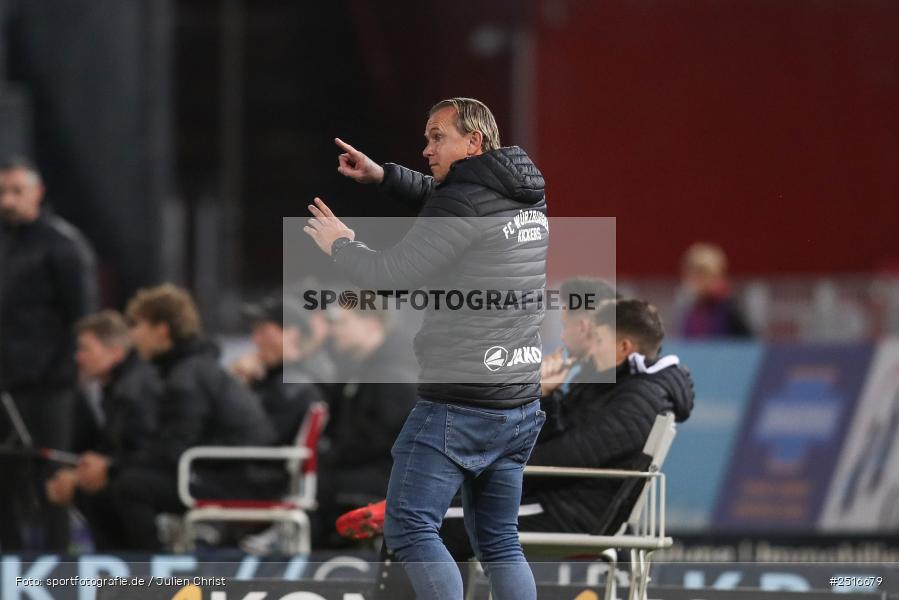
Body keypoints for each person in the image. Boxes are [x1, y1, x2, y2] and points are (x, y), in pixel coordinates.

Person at [304, 98, 548, 600]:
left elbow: (391, 276)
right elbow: (455, 199)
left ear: (473, 142)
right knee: (500, 541)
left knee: (410, 528)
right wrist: (384, 176)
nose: (426, 147)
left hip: (460, 404)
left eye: (438, 136)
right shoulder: (525, 194)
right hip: (518, 402)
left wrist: (342, 244)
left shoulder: (460, 202)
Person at [109, 284, 275, 550]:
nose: (133, 336)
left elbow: (175, 448)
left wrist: (111, 467)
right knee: (127, 479)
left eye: (137, 326)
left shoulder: (186, 377)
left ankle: (152, 575)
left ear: (162, 330)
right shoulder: (190, 369)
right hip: (235, 474)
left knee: (128, 486)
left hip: (239, 481)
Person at [0, 156, 97, 551]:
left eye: (16, 191)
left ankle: (58, 568)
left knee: (53, 481)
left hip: (50, 386)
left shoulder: (62, 245)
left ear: (37, 193)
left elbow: (81, 315)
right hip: (5, 385)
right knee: (4, 479)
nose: (7, 200)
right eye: (2, 192)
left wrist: (66, 373)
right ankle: (9, 566)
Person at [45, 311, 161, 550]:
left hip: (151, 478)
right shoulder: (116, 388)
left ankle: (139, 566)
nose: (79, 357)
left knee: (103, 490)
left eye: (86, 349)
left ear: (115, 352)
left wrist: (98, 471)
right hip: (137, 472)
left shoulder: (134, 389)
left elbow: (149, 451)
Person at [312, 305, 417, 548]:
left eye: (342, 323)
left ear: (371, 324)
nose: (333, 331)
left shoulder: (394, 375)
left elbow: (377, 442)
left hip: (390, 478)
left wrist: (329, 455)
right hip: (370, 471)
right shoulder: (361, 369)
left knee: (317, 485)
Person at [232, 294, 327, 446]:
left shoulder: (297, 385)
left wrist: (234, 385)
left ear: (291, 333)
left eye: (263, 331)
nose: (256, 340)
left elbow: (258, 438)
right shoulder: (272, 377)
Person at [675, 242, 752, 339]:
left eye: (702, 275)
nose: (696, 281)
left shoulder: (731, 309)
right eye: (692, 275)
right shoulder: (689, 310)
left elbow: (749, 344)